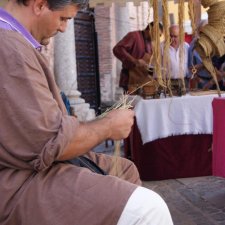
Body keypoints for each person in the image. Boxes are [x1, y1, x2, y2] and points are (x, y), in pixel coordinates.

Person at [0, 1, 173, 225]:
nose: (63, 29)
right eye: (63, 19)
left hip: (32, 167)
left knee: (125, 169)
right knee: (148, 209)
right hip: (15, 182)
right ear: (39, 5)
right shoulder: (9, 47)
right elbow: (50, 144)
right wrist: (107, 126)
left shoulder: (14, 42)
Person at [113, 22, 163, 93]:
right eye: (157, 34)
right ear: (150, 30)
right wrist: (134, 61)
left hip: (145, 81)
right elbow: (117, 49)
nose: (158, 38)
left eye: (160, 36)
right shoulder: (133, 36)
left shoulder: (152, 43)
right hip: (130, 80)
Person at [161, 24, 189, 94]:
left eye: (175, 36)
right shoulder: (161, 47)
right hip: (167, 82)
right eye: (170, 36)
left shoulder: (186, 46)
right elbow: (156, 67)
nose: (172, 39)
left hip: (184, 82)